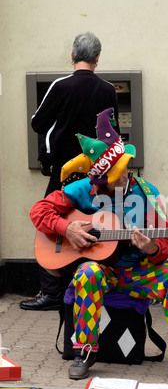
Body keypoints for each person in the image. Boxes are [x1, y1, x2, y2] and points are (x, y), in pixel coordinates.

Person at [28, 107, 168, 386]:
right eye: (115, 175)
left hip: (135, 273)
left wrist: (151, 248)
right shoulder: (82, 189)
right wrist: (66, 228)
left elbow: (162, 247)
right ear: (99, 179)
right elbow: (39, 211)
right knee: (88, 273)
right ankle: (85, 353)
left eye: (124, 169)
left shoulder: (148, 193)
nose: (123, 176)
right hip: (100, 271)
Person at [20, 31, 120, 311]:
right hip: (96, 175)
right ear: (97, 58)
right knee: (92, 227)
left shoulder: (60, 86)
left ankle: (52, 292)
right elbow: (114, 135)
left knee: (50, 225)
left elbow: (38, 123)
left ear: (73, 56)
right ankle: (86, 286)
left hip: (64, 174)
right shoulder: (108, 89)